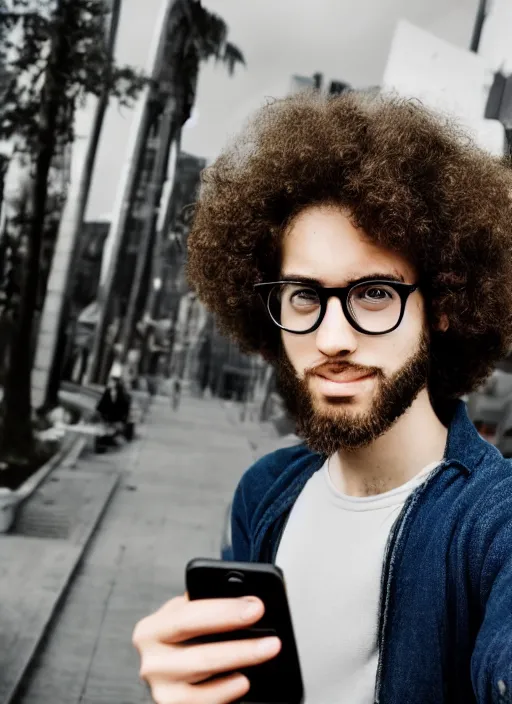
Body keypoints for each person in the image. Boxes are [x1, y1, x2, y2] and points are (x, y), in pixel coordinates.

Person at [132, 91, 512, 703]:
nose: (333, 339)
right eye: (304, 296)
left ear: (441, 304)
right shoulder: (265, 492)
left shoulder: (492, 523)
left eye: (374, 294)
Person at [95, 370, 133, 442]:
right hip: (107, 418)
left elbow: (125, 407)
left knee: (114, 434)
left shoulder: (121, 394)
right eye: (110, 382)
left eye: (112, 382)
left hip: (116, 419)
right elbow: (102, 404)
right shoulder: (107, 392)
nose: (110, 383)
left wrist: (123, 420)